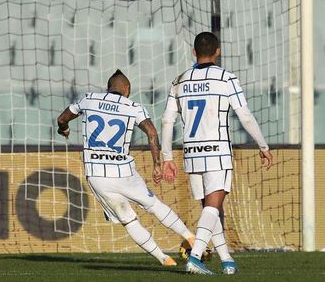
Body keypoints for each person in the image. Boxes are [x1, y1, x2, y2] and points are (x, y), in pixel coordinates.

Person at [56, 69, 196, 267]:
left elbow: (62, 119)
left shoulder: (88, 99)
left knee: (129, 220)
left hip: (97, 174)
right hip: (124, 171)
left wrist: (64, 129)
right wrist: (157, 164)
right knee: (153, 205)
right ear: (127, 90)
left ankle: (164, 259)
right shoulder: (133, 107)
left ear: (108, 88)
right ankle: (190, 238)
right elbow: (152, 133)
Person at [161, 31, 274, 275]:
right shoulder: (225, 78)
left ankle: (226, 260)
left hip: (191, 153)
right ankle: (196, 256)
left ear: (194, 52)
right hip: (217, 151)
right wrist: (263, 146)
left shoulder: (179, 80)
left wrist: (167, 157)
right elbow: (244, 115)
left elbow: (167, 121)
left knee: (210, 211)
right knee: (213, 207)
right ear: (218, 51)